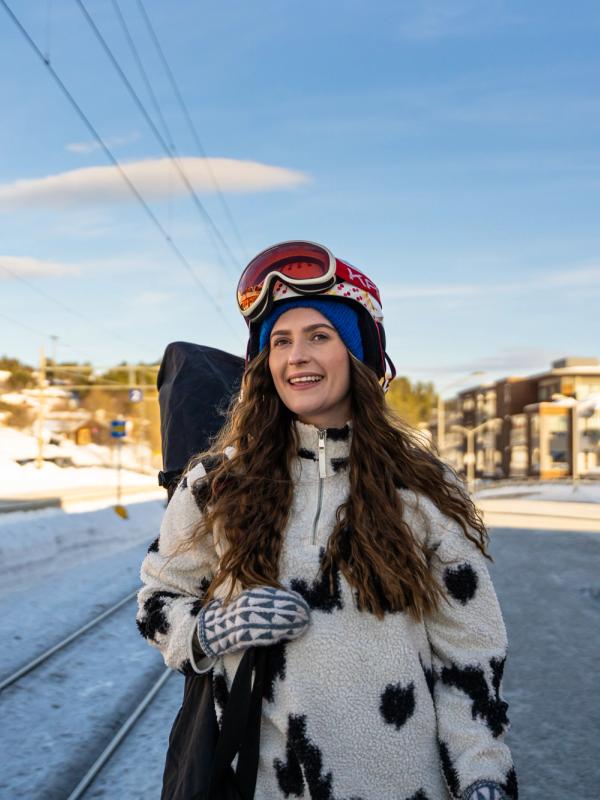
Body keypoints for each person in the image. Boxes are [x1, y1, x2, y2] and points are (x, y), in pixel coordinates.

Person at [137, 241, 518, 800]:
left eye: (320, 336)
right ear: (264, 363)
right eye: (281, 341)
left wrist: (483, 774)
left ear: (359, 355)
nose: (297, 357)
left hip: (404, 784)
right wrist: (211, 627)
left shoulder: (421, 489)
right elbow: (158, 599)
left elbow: (469, 655)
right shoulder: (215, 485)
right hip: (260, 784)